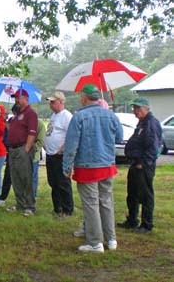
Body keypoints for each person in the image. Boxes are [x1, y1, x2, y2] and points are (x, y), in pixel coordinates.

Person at [63, 84, 123, 253]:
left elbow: (71, 145)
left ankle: (95, 242)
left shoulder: (80, 117)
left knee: (91, 204)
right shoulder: (111, 115)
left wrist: (67, 166)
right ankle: (111, 239)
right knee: (106, 202)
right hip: (107, 163)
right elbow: (119, 136)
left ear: (84, 97)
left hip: (87, 165)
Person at [118, 97, 162, 234]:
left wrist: (143, 163)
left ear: (146, 108)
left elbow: (153, 147)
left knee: (145, 195)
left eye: (138, 108)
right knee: (133, 194)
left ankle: (146, 224)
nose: (135, 111)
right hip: (135, 163)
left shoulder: (151, 123)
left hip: (143, 165)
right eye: (134, 108)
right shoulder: (141, 123)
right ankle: (132, 220)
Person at [6, 89, 38, 216]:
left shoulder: (30, 113)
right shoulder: (17, 115)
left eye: (18, 98)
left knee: (26, 177)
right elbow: (13, 130)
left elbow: (32, 132)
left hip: (23, 148)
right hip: (13, 149)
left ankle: (30, 205)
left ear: (25, 98)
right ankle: (20, 203)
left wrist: (27, 148)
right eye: (15, 98)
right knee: (15, 178)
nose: (16, 100)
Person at [44, 91, 74, 217]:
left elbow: (71, 135)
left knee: (63, 182)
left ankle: (68, 209)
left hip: (60, 155)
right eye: (50, 102)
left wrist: (63, 148)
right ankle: (57, 207)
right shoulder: (54, 116)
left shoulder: (66, 116)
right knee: (53, 182)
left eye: (53, 102)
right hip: (50, 154)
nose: (51, 104)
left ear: (60, 102)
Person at [0, 103, 20, 207]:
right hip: (11, 151)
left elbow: (17, 134)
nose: (15, 115)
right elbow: (6, 135)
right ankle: (2, 198)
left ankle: (21, 200)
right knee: (8, 175)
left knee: (20, 177)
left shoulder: (24, 121)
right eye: (14, 113)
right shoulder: (11, 120)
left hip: (21, 152)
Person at [33, 118, 46, 199]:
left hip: (33, 156)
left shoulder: (39, 123)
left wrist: (31, 149)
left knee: (33, 177)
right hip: (21, 156)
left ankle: (33, 196)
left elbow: (41, 140)